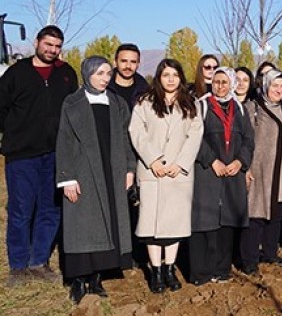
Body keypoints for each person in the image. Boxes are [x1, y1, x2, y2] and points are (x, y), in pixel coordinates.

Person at [0, 25, 78, 286]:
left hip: (56, 153)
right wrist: (13, 134)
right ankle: (18, 266)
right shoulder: (16, 74)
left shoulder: (66, 74)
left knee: (50, 209)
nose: (52, 50)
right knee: (21, 210)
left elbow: (73, 109)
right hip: (22, 155)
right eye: (48, 44)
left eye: (57, 46)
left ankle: (39, 261)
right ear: (36, 42)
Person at [56, 56, 135, 303]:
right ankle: (79, 280)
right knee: (83, 224)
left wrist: (129, 168)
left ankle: (97, 278)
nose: (105, 79)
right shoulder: (73, 102)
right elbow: (64, 140)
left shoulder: (117, 102)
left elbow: (126, 137)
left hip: (112, 170)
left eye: (108, 74)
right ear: (87, 73)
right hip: (83, 172)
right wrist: (67, 178)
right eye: (99, 73)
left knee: (109, 220)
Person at [130, 59, 203, 293]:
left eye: (175, 75)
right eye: (165, 75)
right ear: (158, 78)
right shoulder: (145, 102)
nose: (171, 79)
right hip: (152, 171)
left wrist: (180, 163)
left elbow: (195, 135)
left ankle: (170, 269)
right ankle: (156, 271)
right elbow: (136, 131)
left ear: (181, 77)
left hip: (177, 174)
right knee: (151, 225)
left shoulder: (191, 104)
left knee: (174, 224)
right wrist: (152, 160)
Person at [190, 67, 254, 284]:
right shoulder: (201, 105)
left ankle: (222, 269)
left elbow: (249, 140)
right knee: (204, 220)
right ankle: (201, 273)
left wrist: (240, 162)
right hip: (207, 170)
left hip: (232, 172)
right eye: (216, 82)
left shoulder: (240, 109)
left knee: (227, 222)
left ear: (232, 83)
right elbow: (193, 137)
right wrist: (211, 160)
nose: (220, 86)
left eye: (224, 82)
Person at [243, 69, 282, 272]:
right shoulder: (253, 108)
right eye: (275, 85)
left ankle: (270, 253)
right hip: (261, 171)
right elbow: (245, 140)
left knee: (276, 214)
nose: (279, 90)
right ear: (266, 85)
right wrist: (246, 167)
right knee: (256, 215)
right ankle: (250, 260)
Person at [109, 43, 149, 109]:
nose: (128, 66)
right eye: (124, 61)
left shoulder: (145, 92)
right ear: (115, 62)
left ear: (138, 64)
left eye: (133, 62)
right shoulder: (104, 88)